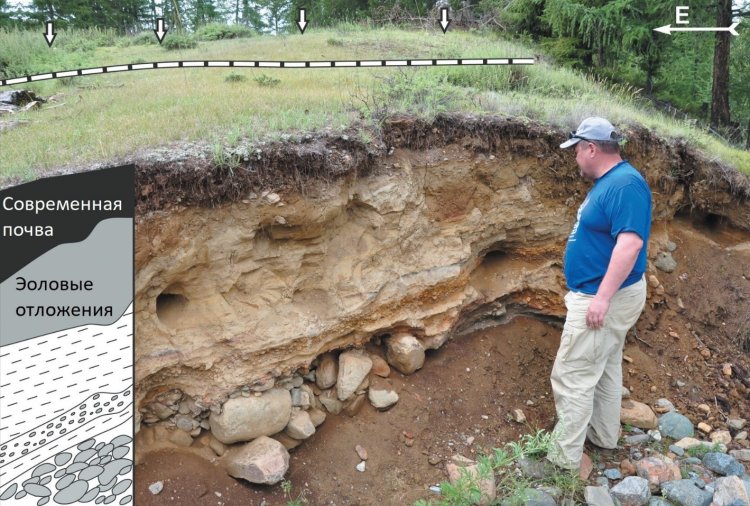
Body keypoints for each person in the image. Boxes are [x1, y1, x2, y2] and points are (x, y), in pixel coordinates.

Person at [546, 117, 652, 472]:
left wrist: (602, 298)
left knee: (573, 374)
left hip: (603, 297)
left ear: (591, 148)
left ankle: (563, 462)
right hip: (605, 294)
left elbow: (631, 243)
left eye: (577, 149)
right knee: (604, 366)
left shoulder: (625, 185)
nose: (575, 157)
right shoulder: (613, 182)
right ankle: (603, 436)